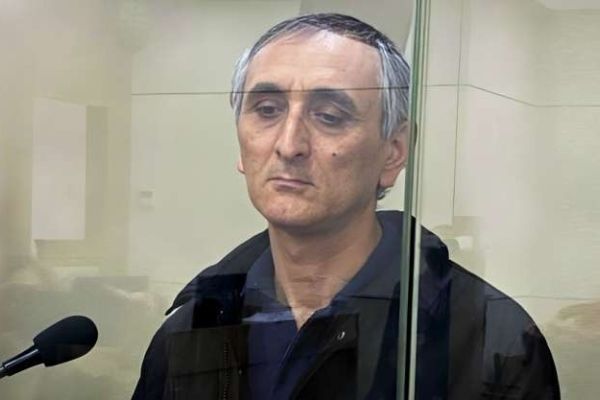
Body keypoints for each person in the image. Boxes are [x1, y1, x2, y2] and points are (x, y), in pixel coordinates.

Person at [132, 13, 560, 400]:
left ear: (393, 152)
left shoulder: (486, 340)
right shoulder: (195, 327)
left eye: (330, 116)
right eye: (267, 110)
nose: (289, 145)